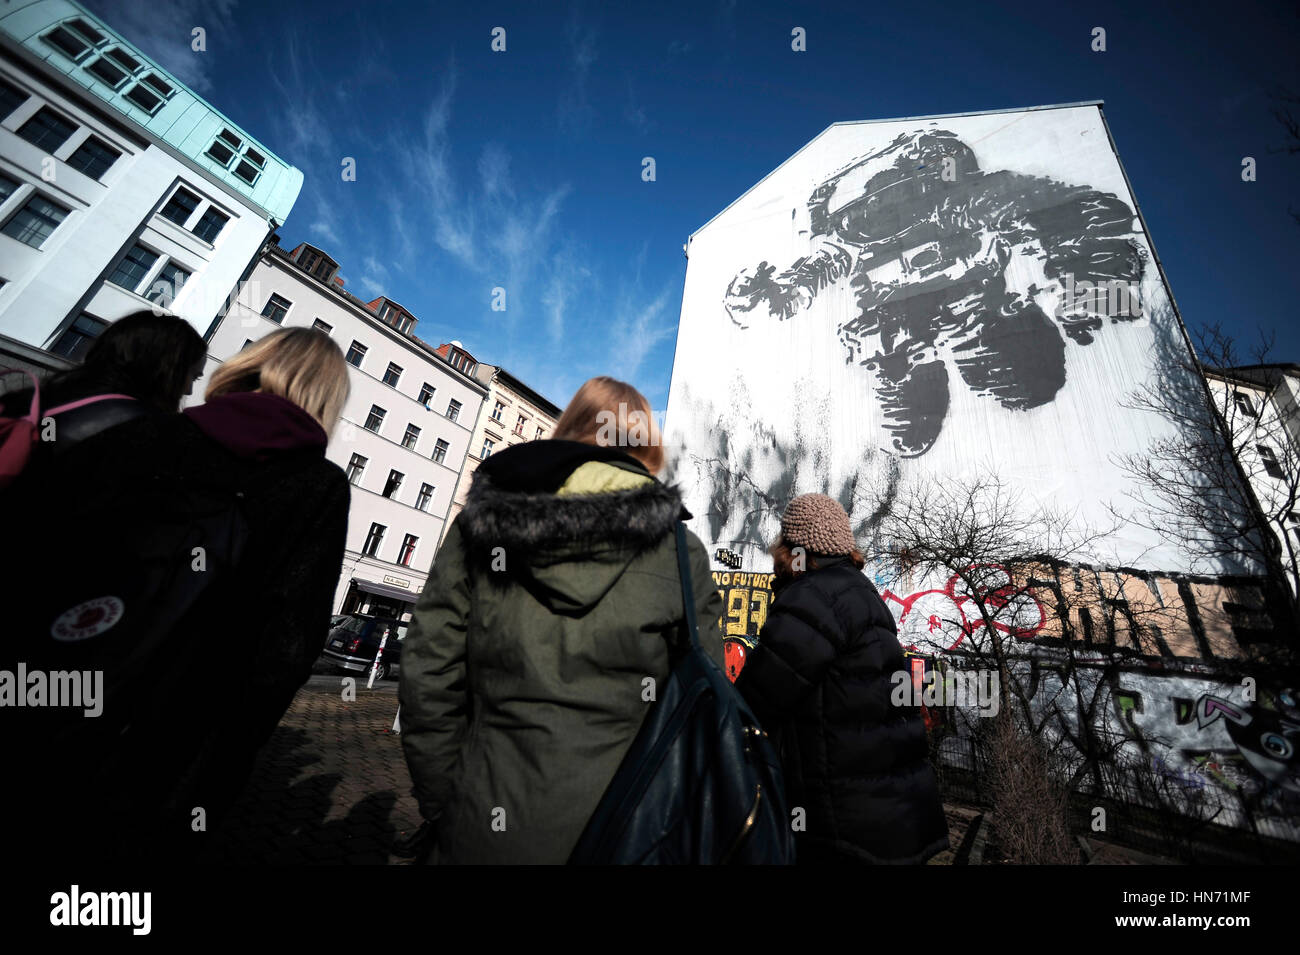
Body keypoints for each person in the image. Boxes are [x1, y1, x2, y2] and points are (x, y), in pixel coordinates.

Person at [1, 326, 352, 862]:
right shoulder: (318, 486)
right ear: (326, 398)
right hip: (172, 739)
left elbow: (39, 554)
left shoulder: (149, 433)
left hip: (57, 693)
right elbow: (287, 646)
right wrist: (227, 758)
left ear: (249, 366)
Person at [399, 376, 726, 864]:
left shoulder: (484, 521)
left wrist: (446, 796)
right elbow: (704, 694)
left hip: (485, 817)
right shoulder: (680, 552)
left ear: (570, 426)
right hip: (626, 828)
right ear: (646, 441)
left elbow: (428, 668)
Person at [734, 493, 950, 864]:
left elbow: (753, 703)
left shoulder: (812, 599)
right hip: (898, 817)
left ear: (792, 549)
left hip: (843, 827)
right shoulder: (863, 595)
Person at [0, 309, 207, 462]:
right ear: (167, 367)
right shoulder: (145, 430)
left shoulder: (35, 396)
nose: (188, 390)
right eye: (193, 376)